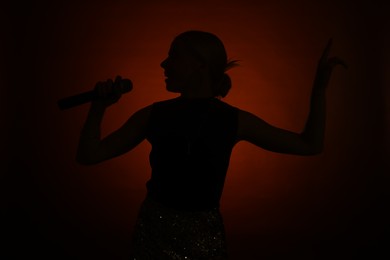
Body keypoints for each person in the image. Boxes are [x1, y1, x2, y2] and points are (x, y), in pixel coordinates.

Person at [76, 31, 347, 259]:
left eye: (173, 56)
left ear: (200, 65)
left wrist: (320, 90)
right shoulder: (153, 114)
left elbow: (309, 145)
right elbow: (89, 155)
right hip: (152, 236)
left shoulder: (234, 120)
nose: (163, 64)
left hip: (205, 239)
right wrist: (98, 108)